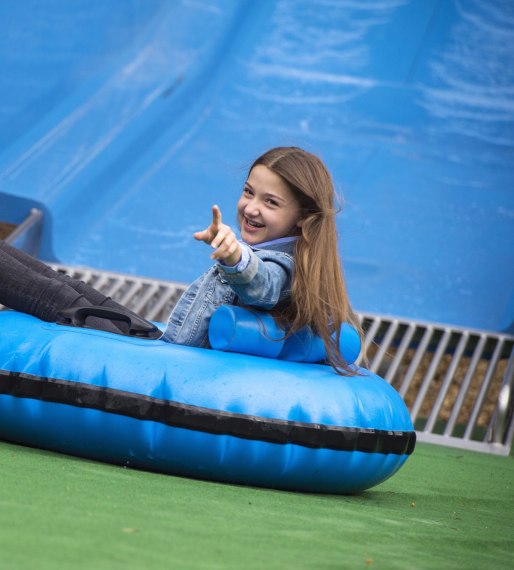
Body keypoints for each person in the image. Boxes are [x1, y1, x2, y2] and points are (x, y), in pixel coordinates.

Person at [0, 147, 361, 375]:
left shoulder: (285, 265)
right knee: (67, 287)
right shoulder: (292, 256)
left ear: (301, 217)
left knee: (53, 297)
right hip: (162, 344)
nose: (251, 207)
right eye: (249, 192)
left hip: (164, 365)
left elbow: (261, 285)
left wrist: (236, 256)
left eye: (271, 203)